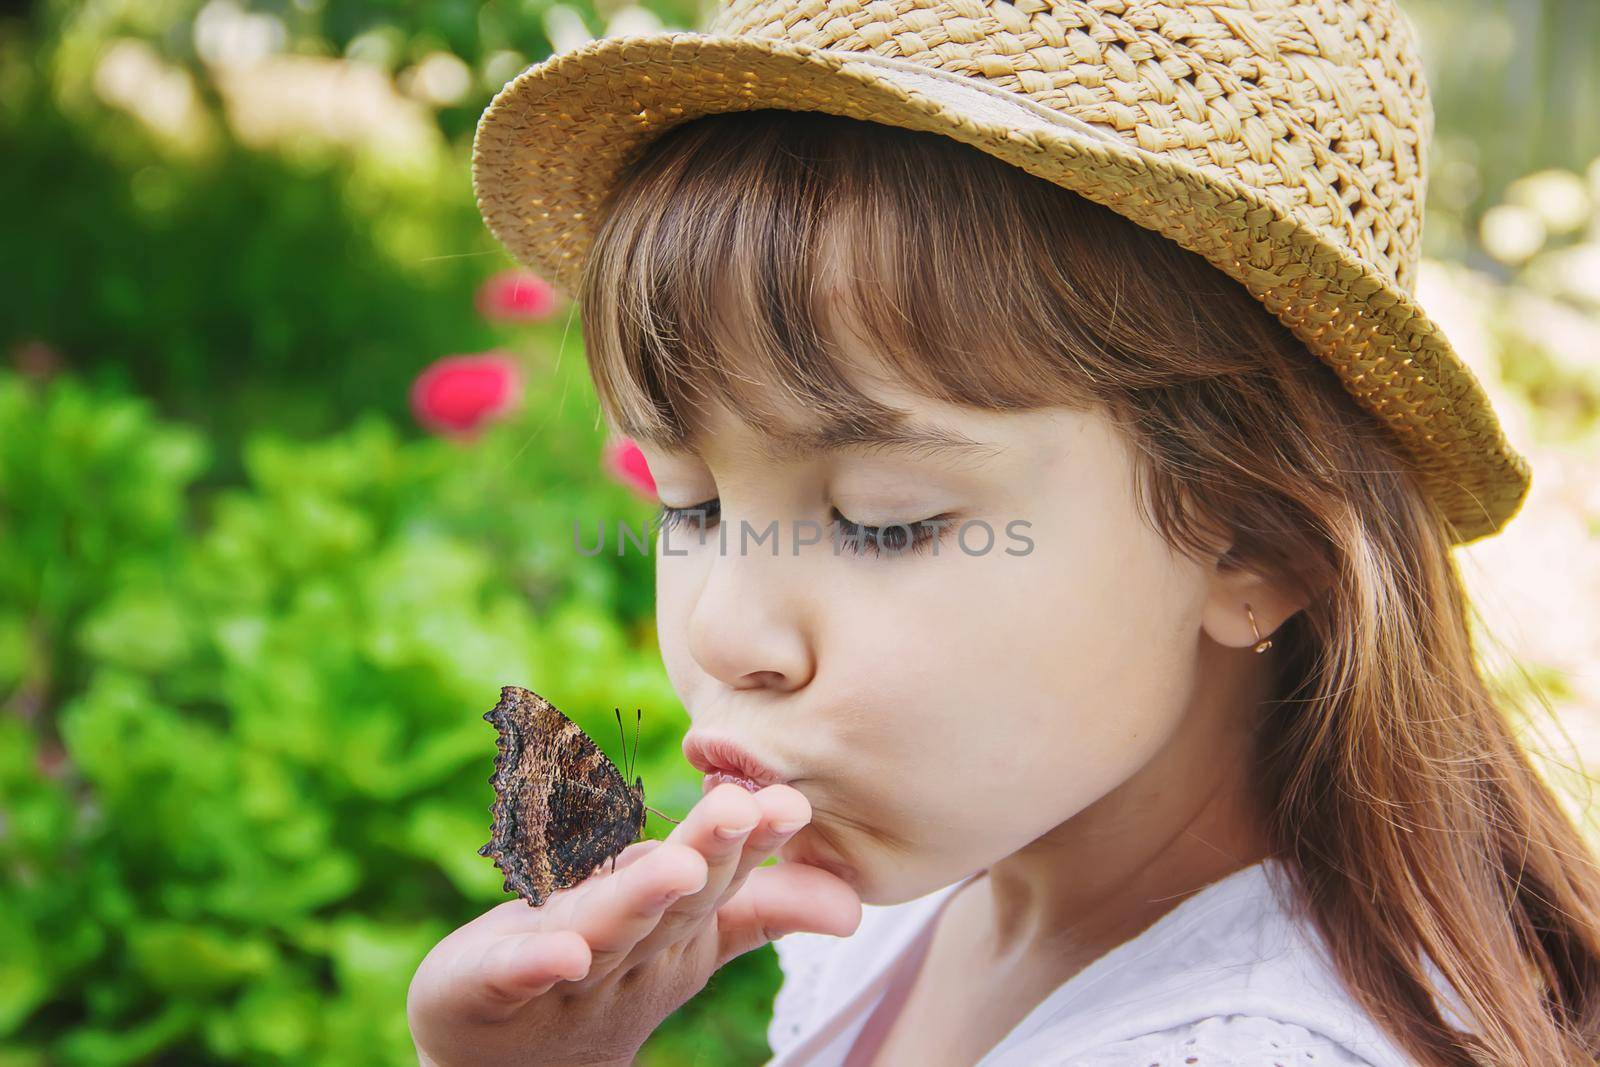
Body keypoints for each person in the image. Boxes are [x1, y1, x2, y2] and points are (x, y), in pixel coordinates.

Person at [407, 1, 1600, 1063]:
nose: (725, 631)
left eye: (885, 523)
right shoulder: (931, 904)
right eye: (691, 503)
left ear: (1259, 545)